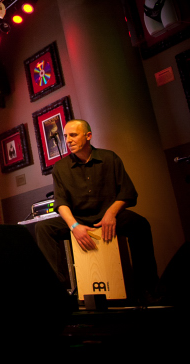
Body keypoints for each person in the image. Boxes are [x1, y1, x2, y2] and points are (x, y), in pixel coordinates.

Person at [35, 119, 158, 299]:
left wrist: (111, 213)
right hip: (79, 218)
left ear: (88, 136)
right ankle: (56, 292)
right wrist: (74, 226)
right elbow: (60, 203)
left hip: (107, 216)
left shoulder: (110, 158)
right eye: (66, 136)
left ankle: (147, 288)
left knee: (140, 224)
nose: (68, 140)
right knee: (43, 228)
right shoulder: (60, 167)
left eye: (73, 135)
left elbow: (128, 193)